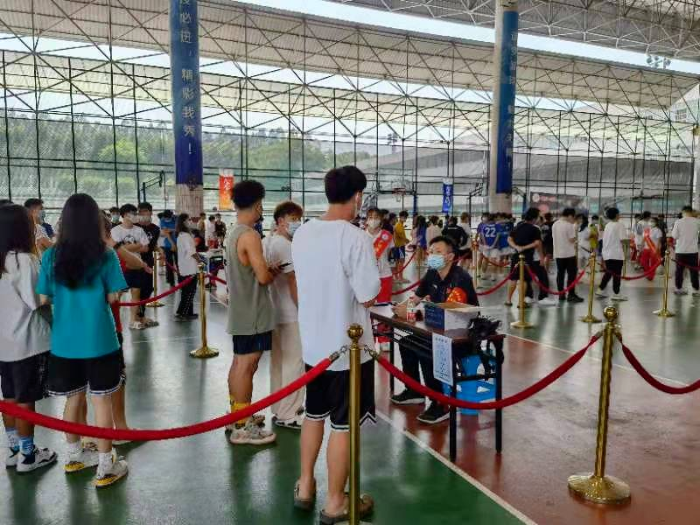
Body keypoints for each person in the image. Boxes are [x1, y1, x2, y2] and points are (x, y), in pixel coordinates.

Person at [292, 166, 379, 523]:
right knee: (343, 425)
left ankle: (305, 485)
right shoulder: (355, 237)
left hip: (314, 346)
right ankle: (334, 502)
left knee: (314, 415)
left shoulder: (303, 232)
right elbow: (369, 295)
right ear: (357, 197)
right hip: (347, 349)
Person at [37, 193, 128, 488]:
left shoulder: (51, 256)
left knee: (73, 399)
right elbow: (113, 296)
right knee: (101, 400)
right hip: (100, 340)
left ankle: (74, 456)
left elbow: (43, 298)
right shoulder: (106, 255)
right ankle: (105, 465)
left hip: (64, 342)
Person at [390, 235, 479, 423]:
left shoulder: (460, 278)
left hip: (461, 337)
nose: (432, 255)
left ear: (450, 256)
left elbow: (450, 313)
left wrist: (414, 313)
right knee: (406, 342)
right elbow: (416, 299)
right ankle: (414, 391)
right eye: (430, 252)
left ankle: (440, 402)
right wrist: (401, 308)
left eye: (438, 252)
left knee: (427, 349)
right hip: (437, 331)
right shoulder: (431, 274)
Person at [0, 204, 56, 473]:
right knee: (25, 399)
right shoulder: (25, 260)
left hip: (4, 343)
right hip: (26, 341)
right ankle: (28, 455)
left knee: (9, 396)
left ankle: (14, 450)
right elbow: (37, 300)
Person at [224, 180, 277, 445]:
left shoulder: (232, 232)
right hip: (253, 310)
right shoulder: (250, 235)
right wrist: (273, 270)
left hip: (240, 308)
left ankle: (238, 413)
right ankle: (242, 426)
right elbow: (263, 277)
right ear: (257, 205)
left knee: (239, 364)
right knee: (246, 366)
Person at [263, 200, 305, 430]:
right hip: (290, 313)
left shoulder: (266, 241)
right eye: (293, 219)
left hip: (274, 311)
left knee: (278, 362)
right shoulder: (286, 245)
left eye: (299, 219)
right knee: (293, 363)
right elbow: (293, 282)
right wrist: (304, 310)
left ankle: (279, 407)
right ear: (280, 221)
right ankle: (290, 413)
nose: (297, 223)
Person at [111, 204, 154, 330]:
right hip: (121, 267)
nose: (135, 216)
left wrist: (125, 247)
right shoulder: (115, 230)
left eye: (135, 213)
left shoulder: (139, 230)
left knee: (136, 294)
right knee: (117, 295)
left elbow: (145, 248)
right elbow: (116, 249)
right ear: (124, 215)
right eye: (132, 213)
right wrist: (138, 244)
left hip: (137, 266)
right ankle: (114, 320)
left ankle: (133, 320)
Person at [366, 207, 394, 351]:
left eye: (376, 217)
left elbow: (387, 254)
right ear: (366, 219)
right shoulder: (361, 235)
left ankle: (384, 338)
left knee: (384, 307)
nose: (373, 220)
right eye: (370, 217)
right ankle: (369, 337)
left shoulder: (386, 235)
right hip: (366, 276)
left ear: (381, 219)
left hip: (384, 275)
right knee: (367, 307)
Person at [552, 208, 584, 303]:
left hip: (558, 254)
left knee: (560, 274)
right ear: (570, 215)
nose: (573, 219)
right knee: (571, 275)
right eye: (573, 217)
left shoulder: (555, 224)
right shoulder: (569, 225)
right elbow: (571, 239)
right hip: (569, 254)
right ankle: (571, 294)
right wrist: (576, 236)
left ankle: (561, 294)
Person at [596, 207, 628, 301]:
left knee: (609, 272)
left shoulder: (608, 225)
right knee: (616, 274)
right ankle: (616, 293)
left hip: (607, 253)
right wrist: (628, 244)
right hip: (616, 253)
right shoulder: (620, 225)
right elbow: (623, 239)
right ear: (617, 215)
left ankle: (600, 289)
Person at [136, 202, 161, 318]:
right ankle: (137, 314)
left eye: (145, 211)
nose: (142, 214)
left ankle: (141, 310)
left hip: (149, 260)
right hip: (135, 261)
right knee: (136, 287)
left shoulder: (155, 229)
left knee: (148, 288)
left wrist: (160, 250)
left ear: (150, 212)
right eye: (140, 212)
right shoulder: (134, 227)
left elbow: (153, 245)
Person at [174, 214, 200, 321]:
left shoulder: (181, 235)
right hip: (189, 268)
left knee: (187, 292)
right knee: (189, 291)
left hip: (184, 267)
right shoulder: (185, 236)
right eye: (189, 220)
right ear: (184, 222)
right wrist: (200, 261)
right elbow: (191, 251)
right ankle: (183, 313)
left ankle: (187, 312)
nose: (191, 221)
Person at [671, 206, 700, 295]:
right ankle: (696, 290)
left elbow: (674, 236)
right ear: (691, 212)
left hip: (680, 251)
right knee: (694, 271)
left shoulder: (678, 222)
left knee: (679, 271)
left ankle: (679, 288)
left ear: (683, 212)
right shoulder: (697, 221)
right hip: (693, 251)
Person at [158, 210, 178, 287]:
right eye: (165, 218)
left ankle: (181, 280)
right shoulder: (162, 220)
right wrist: (173, 244)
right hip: (168, 245)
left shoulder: (176, 218)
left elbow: (179, 229)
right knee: (169, 264)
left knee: (179, 263)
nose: (167, 219)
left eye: (168, 218)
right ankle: (171, 282)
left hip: (179, 244)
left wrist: (171, 230)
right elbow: (166, 233)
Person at [393, 210, 409, 283]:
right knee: (401, 261)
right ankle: (400, 277)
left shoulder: (400, 224)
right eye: (404, 217)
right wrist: (407, 240)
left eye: (406, 217)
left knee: (397, 262)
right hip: (399, 246)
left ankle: (397, 277)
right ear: (401, 217)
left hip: (399, 245)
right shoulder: (399, 225)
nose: (405, 219)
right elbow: (401, 235)